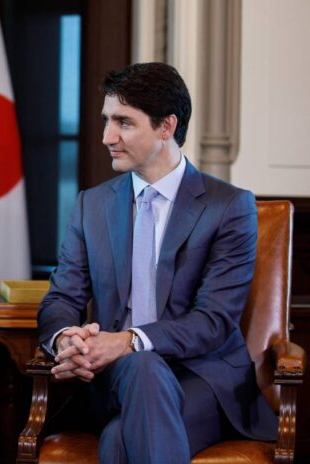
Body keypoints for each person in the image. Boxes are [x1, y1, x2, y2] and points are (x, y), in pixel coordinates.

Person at [37, 62, 277, 464]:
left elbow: (215, 320)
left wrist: (128, 340)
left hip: (200, 377)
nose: (107, 137)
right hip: (111, 378)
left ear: (167, 126)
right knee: (142, 370)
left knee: (118, 440)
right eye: (106, 121)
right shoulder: (91, 205)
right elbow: (62, 298)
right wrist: (67, 339)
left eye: (124, 123)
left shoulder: (229, 207)